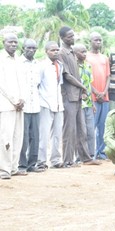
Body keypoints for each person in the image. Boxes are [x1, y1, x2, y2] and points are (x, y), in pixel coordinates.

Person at [58, 26, 101, 167]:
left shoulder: (72, 52)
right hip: (69, 96)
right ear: (62, 38)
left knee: (81, 129)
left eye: (73, 35)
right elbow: (67, 75)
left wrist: (82, 90)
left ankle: (85, 158)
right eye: (69, 36)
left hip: (77, 96)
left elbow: (76, 75)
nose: (72, 38)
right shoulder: (62, 53)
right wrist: (82, 86)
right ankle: (67, 160)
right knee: (69, 130)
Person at [0, 33, 25, 179]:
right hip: (6, 105)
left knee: (17, 137)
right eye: (10, 42)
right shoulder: (1, 59)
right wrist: (15, 100)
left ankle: (14, 168)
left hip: (19, 106)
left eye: (16, 42)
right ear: (4, 42)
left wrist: (22, 99)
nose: (14, 44)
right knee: (5, 138)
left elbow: (23, 82)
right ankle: (4, 169)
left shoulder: (18, 60)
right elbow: (2, 84)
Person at [37, 41, 65, 169]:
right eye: (52, 50)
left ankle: (56, 160)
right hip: (45, 103)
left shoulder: (60, 65)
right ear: (46, 51)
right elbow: (36, 85)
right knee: (44, 134)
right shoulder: (42, 65)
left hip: (59, 104)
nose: (55, 52)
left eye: (57, 50)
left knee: (57, 134)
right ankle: (41, 161)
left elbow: (59, 85)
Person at [18, 39, 43, 173]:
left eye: (34, 48)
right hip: (23, 106)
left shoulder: (37, 64)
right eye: (29, 48)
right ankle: (21, 165)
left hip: (36, 106)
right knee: (23, 137)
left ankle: (32, 164)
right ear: (23, 48)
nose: (31, 50)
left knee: (35, 136)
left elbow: (38, 84)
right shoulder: (18, 64)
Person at [86, 32, 110, 160]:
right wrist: (96, 92)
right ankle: (91, 153)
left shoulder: (104, 58)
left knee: (103, 126)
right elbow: (85, 78)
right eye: (96, 40)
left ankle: (102, 152)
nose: (98, 42)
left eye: (100, 40)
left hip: (104, 98)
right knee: (92, 126)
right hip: (93, 98)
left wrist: (104, 92)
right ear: (90, 41)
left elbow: (108, 77)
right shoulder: (86, 57)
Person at [74, 44, 95, 159]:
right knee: (81, 131)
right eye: (82, 52)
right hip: (78, 103)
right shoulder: (73, 67)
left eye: (85, 52)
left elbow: (89, 85)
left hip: (89, 103)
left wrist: (93, 103)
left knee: (91, 130)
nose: (85, 54)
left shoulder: (88, 66)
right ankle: (80, 156)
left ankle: (91, 154)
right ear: (75, 53)